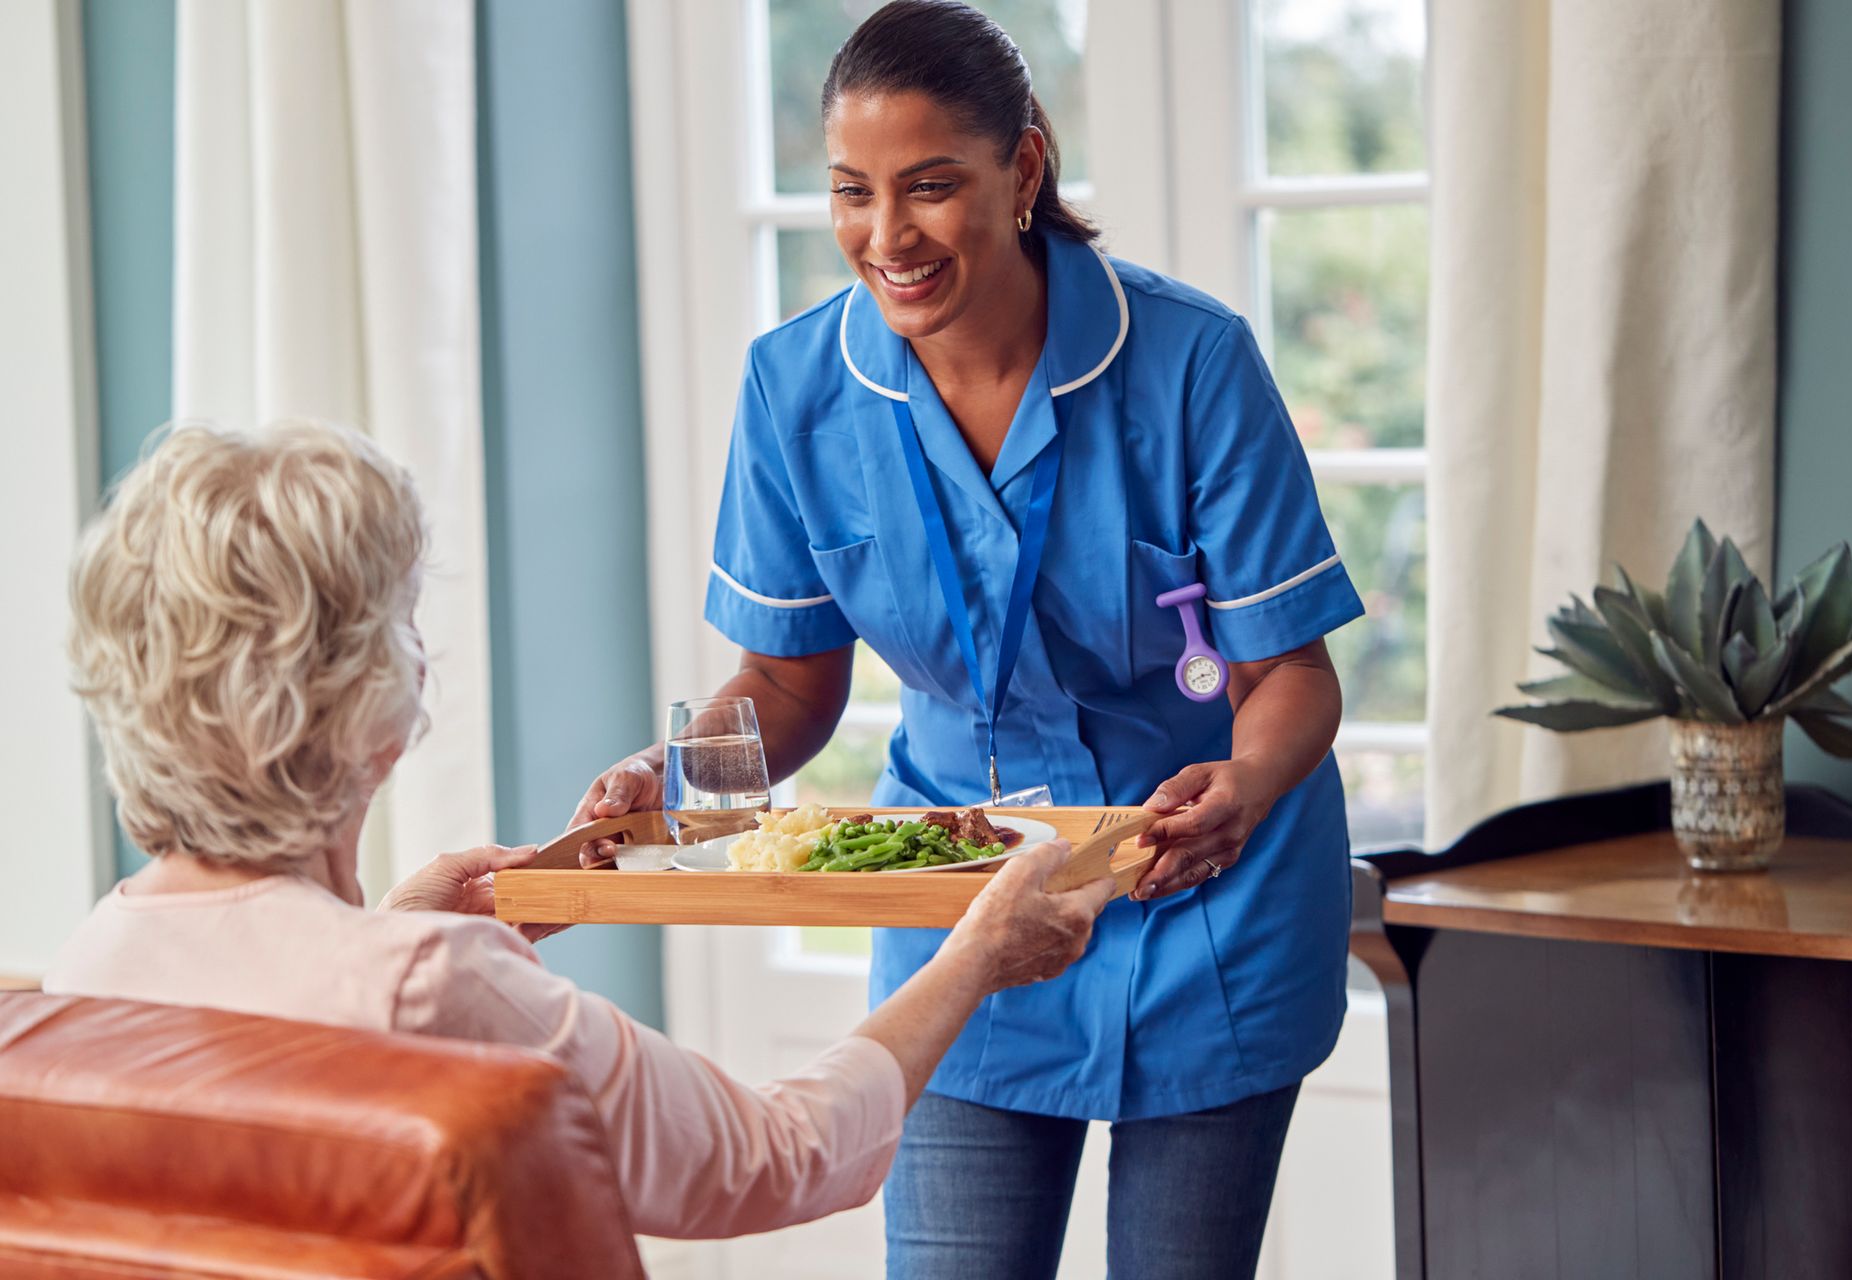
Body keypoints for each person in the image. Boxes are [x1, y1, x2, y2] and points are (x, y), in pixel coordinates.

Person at [570, 3, 1366, 1275]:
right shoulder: (796, 390)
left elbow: (1292, 677)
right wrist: (670, 778)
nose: (887, 237)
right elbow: (785, 680)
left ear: (1025, 171)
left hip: (1204, 897)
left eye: (931, 188)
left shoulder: (1192, 362)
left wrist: (1248, 782)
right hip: (965, 903)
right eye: (852, 192)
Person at [43, 420, 1110, 1250]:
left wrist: (387, 925)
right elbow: (778, 1155)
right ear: (360, 698)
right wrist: (973, 956)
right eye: (402, 621)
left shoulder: (92, 968)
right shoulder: (434, 986)